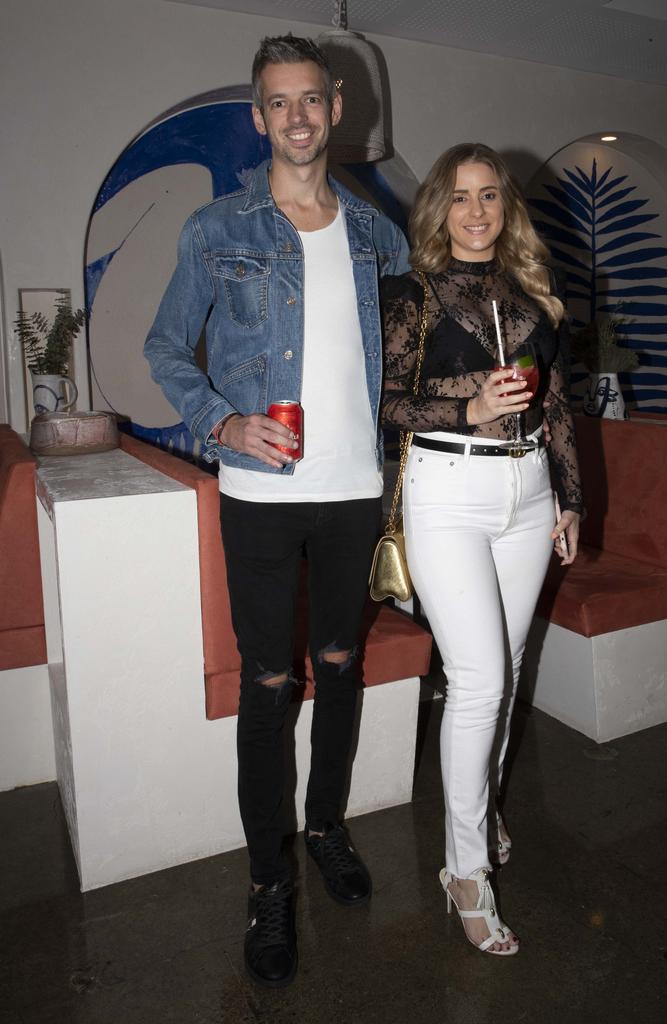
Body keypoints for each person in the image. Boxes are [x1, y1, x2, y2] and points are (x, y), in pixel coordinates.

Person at [144, 35, 409, 988]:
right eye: (278, 103)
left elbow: (410, 352)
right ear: (260, 117)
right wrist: (224, 422)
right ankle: (269, 884)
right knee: (270, 685)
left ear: (336, 108)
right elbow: (166, 348)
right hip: (261, 498)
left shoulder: (382, 234)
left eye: (311, 99)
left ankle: (327, 827)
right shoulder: (218, 230)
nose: (297, 116)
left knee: (338, 666)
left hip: (352, 492)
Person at [380, 142, 583, 956]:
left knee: (508, 668)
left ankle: (480, 807)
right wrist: (471, 404)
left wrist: (571, 499)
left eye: (490, 195)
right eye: (460, 196)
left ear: (507, 208)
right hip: (448, 493)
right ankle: (465, 870)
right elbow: (390, 404)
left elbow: (559, 408)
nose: (475, 211)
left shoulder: (532, 299)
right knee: (480, 680)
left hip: (528, 494)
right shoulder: (412, 294)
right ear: (440, 208)